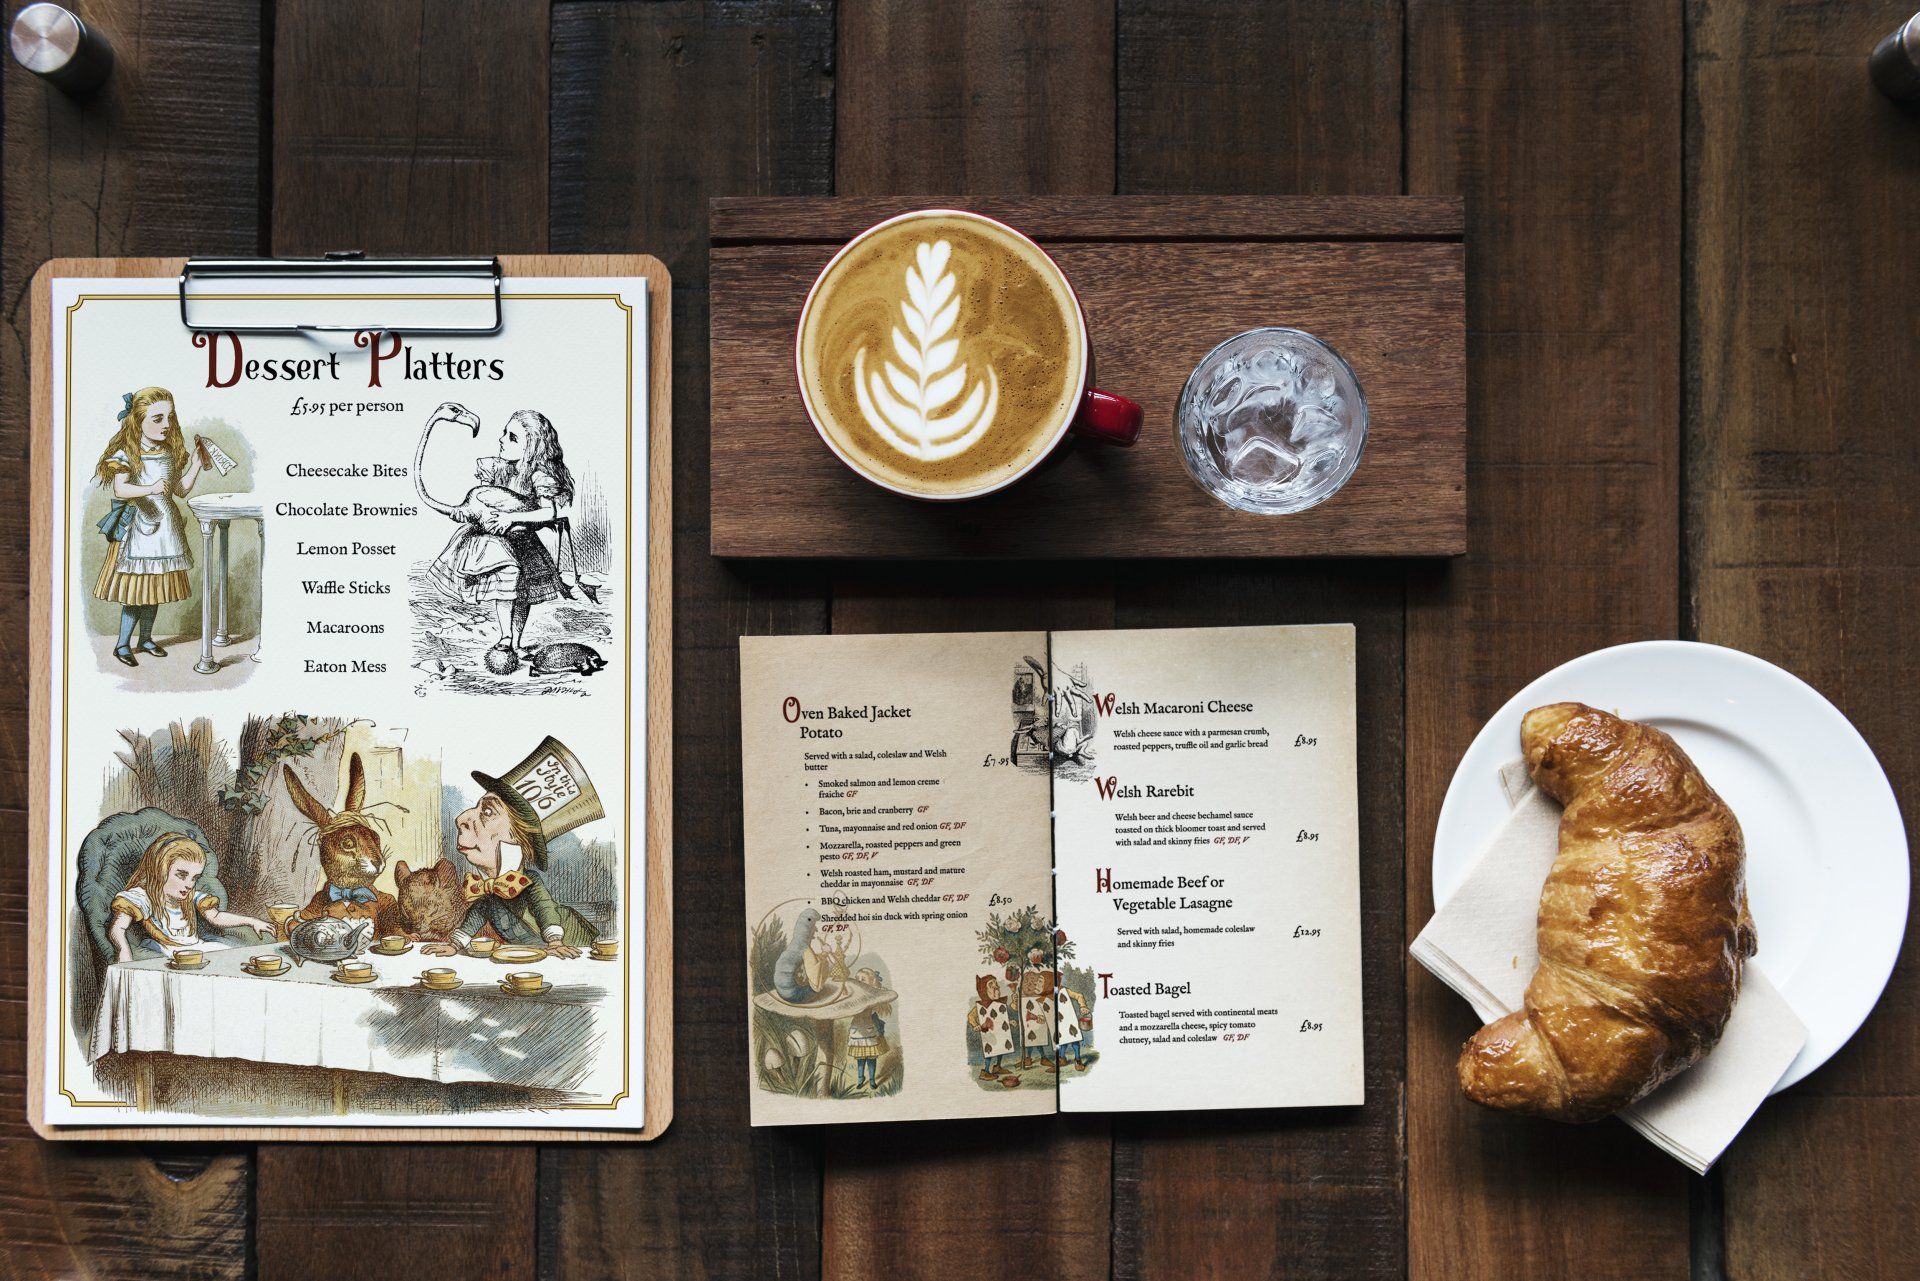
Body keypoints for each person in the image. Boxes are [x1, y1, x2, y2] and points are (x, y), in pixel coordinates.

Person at [422, 409, 577, 672]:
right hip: (498, 543)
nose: (502, 439)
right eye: (505, 433)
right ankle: (505, 638)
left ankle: (515, 642)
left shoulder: (539, 475)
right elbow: (485, 499)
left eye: (512, 437)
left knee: (524, 595)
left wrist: (509, 517)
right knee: (505, 588)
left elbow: (548, 511)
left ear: (532, 447)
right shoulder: (498, 467)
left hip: (523, 541)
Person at [422, 736, 602, 958]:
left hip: (576, 946)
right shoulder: (491, 891)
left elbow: (545, 909)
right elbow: (477, 914)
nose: (462, 818)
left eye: (488, 812)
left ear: (518, 838)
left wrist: (555, 942)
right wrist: (454, 945)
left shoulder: (529, 882)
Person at [92, 387, 212, 667]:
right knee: (135, 593)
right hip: (139, 529)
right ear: (138, 420)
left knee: (155, 590)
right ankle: (122, 644)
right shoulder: (127, 453)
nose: (166, 425)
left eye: (169, 418)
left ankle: (145, 639)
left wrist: (194, 464)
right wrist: (151, 487)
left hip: (165, 530)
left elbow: (180, 490)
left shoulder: (169, 452)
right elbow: (121, 490)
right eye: (157, 419)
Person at [106, 832, 272, 961]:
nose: (189, 884)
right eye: (181, 875)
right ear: (160, 871)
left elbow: (216, 917)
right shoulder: (143, 896)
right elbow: (118, 928)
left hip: (196, 949)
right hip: (167, 951)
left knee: (230, 957)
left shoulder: (190, 896)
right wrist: (123, 951)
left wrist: (252, 921)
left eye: (194, 878)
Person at [969, 974, 1017, 1081]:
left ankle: (997, 1067)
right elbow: (971, 1016)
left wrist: (1009, 1021)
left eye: (996, 985)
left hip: (999, 1032)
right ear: (983, 990)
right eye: (991, 985)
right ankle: (985, 1072)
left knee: (1001, 1047)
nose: (996, 987)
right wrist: (975, 1025)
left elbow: (1000, 1018)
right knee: (990, 1051)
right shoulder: (980, 1006)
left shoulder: (999, 1003)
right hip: (989, 1034)